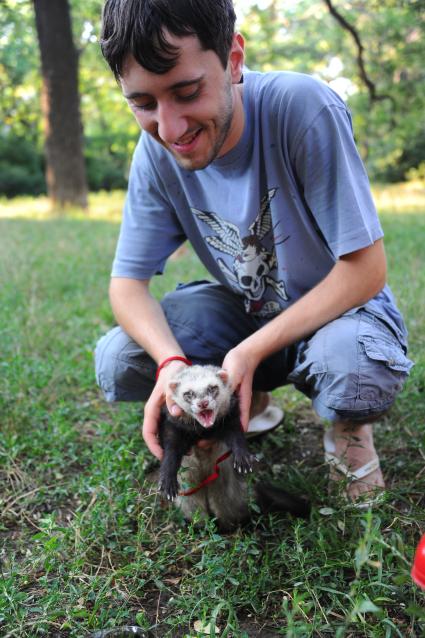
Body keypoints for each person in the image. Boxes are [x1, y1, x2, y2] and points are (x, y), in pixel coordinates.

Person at [95, 0, 413, 502]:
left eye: (186, 91)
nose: (170, 129)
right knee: (120, 357)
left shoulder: (303, 107)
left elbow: (366, 270)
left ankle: (348, 429)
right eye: (144, 103)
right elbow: (126, 286)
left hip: (335, 316)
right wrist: (171, 366)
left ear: (233, 59)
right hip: (245, 315)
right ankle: (245, 399)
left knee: (352, 364)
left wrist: (247, 352)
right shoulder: (155, 153)